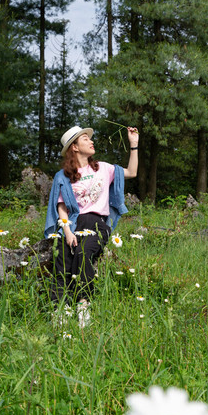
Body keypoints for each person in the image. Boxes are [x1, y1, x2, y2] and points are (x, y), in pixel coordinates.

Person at [44, 125, 139, 309]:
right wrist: (67, 231)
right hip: (72, 223)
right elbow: (61, 207)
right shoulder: (63, 177)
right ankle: (60, 308)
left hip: (96, 223)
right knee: (62, 257)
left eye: (90, 138)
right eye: (85, 139)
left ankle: (83, 304)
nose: (91, 140)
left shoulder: (103, 168)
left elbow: (131, 172)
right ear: (75, 147)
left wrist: (133, 144)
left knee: (83, 252)